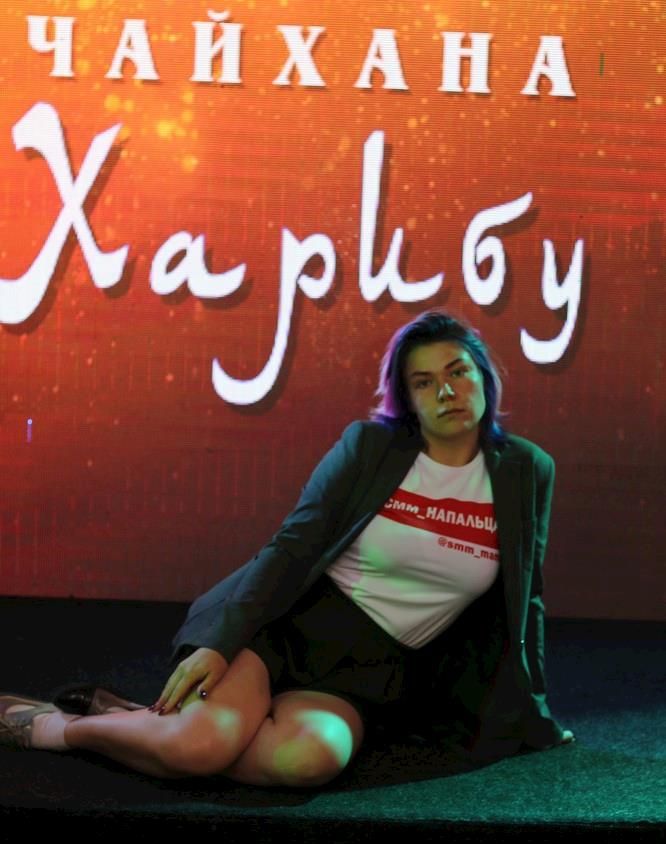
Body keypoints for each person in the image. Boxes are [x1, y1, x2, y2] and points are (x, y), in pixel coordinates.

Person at [0, 310, 574, 784]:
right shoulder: (370, 447)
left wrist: (537, 712)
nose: (446, 391)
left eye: (458, 371)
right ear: (408, 397)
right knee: (201, 747)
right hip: (287, 631)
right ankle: (54, 728)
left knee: (305, 762)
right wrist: (222, 643)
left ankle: (143, 723)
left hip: (374, 673)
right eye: (424, 382)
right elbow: (293, 546)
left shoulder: (527, 470)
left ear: (483, 378)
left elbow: (528, 598)